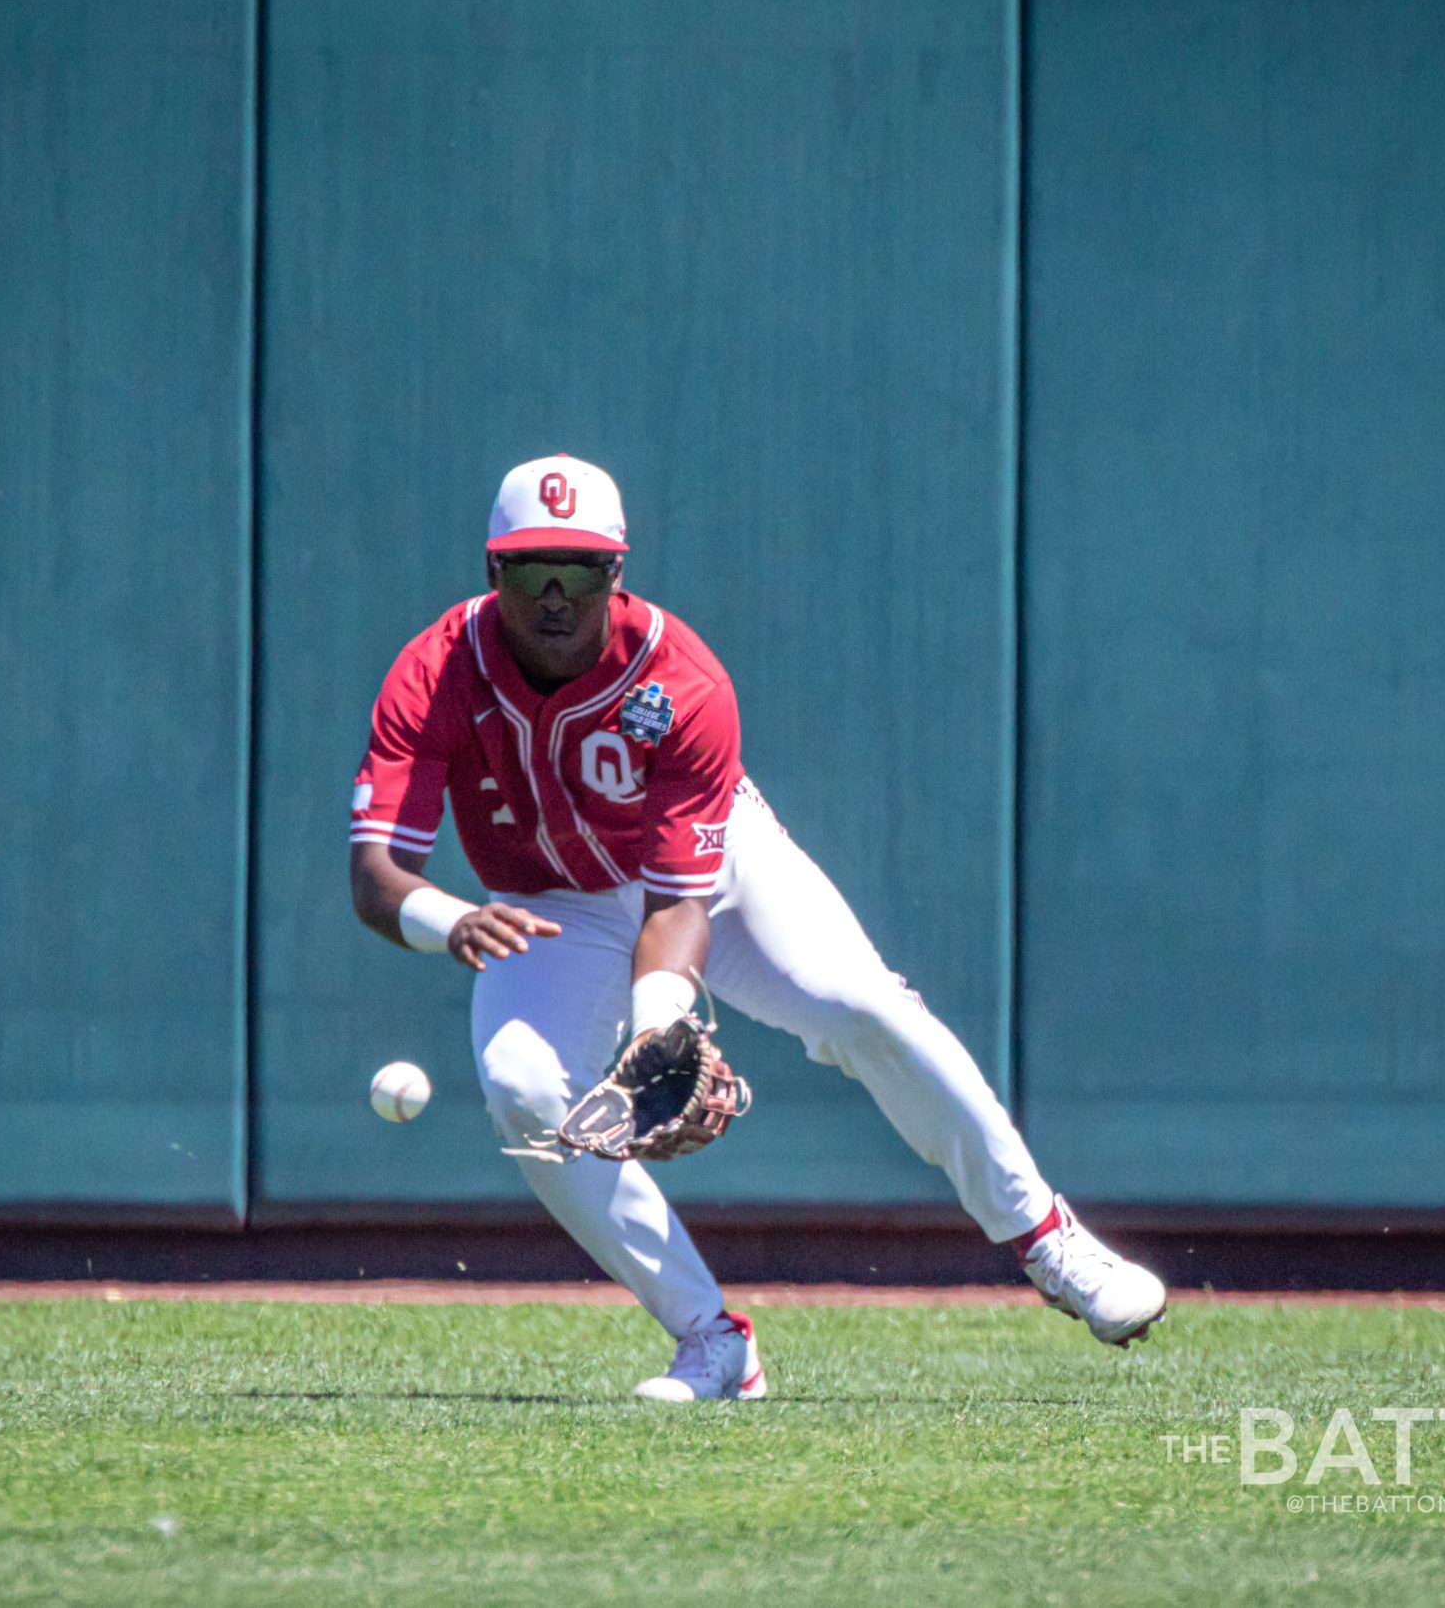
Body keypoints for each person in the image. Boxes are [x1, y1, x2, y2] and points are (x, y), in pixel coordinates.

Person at [347, 455, 1167, 1401]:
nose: (558, 594)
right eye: (534, 570)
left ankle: (1048, 1238)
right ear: (494, 574)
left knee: (862, 1005)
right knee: (523, 1086)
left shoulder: (682, 681)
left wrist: (659, 1026)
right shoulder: (438, 668)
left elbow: (675, 903)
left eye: (584, 568)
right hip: (547, 907)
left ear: (620, 573)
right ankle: (713, 1340)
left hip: (712, 872)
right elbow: (375, 877)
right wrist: (454, 921)